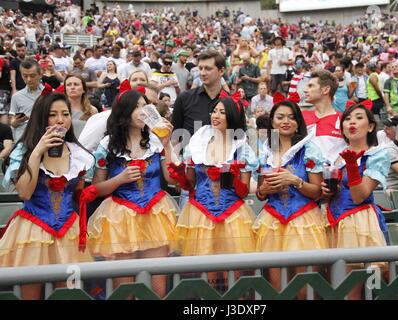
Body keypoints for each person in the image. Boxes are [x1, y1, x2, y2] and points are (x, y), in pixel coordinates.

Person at [0, 92, 94, 299]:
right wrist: (37, 152)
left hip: (69, 230)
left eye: (65, 114)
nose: (60, 120)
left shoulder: (79, 153)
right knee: (30, 294)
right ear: (42, 118)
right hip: (32, 232)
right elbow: (25, 193)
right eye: (53, 115)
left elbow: (78, 191)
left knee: (68, 294)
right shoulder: (23, 151)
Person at [87, 89, 178, 297]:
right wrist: (120, 179)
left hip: (155, 215)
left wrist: (167, 145)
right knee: (124, 288)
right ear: (124, 111)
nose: (142, 111)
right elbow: (96, 189)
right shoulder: (106, 145)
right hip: (120, 218)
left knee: (158, 288)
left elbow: (172, 179)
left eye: (144, 106)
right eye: (136, 107)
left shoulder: (156, 141)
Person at [173, 94, 258, 287]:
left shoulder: (241, 149)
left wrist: (233, 176)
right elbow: (189, 184)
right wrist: (180, 174)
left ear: (232, 117)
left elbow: (243, 192)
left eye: (222, 112)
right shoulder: (197, 143)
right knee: (207, 274)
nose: (216, 115)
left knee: (234, 275)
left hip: (233, 215)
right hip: (200, 214)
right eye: (214, 111)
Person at [253, 99, 328, 294]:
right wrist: (264, 190)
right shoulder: (266, 151)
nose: (286, 121)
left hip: (304, 220)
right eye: (280, 117)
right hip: (272, 221)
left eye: (291, 117)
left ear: (298, 123)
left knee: (304, 290)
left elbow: (318, 191)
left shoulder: (309, 149)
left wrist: (295, 181)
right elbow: (260, 192)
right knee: (277, 289)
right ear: (272, 122)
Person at [321, 103, 390, 300]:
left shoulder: (378, 154)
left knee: (356, 290)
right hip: (333, 222)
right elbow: (331, 193)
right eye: (347, 119)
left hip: (359, 223)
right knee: (334, 290)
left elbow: (359, 196)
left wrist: (352, 166)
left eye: (359, 118)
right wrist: (325, 191)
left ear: (370, 127)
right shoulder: (335, 156)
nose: (352, 122)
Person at [302, 70, 346, 163]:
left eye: (311, 86)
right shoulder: (301, 116)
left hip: (333, 176)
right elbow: (274, 132)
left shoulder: (344, 120)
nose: (305, 90)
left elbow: (358, 146)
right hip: (300, 176)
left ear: (325, 90)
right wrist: (274, 160)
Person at [9, 59, 44, 142]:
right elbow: (12, 123)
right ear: (21, 76)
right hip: (23, 138)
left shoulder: (49, 94)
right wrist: (17, 121)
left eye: (32, 76)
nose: (28, 79)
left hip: (43, 137)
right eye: (25, 76)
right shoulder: (16, 96)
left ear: (40, 75)